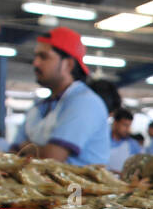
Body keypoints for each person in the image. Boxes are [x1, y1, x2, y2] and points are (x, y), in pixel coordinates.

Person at [13, 27, 108, 165]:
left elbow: (52, 159)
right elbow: (12, 152)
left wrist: (26, 147)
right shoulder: (40, 105)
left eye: (44, 57)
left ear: (68, 64)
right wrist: (33, 150)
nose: (36, 63)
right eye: (36, 56)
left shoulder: (84, 102)